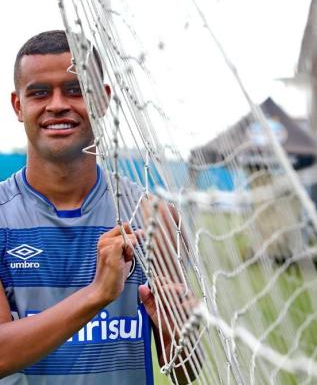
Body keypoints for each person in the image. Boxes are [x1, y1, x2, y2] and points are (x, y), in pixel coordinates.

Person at [0, 30, 194, 384]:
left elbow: (185, 372)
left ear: (103, 100)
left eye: (76, 90)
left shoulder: (154, 216)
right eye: (40, 92)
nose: (58, 104)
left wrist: (178, 332)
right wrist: (98, 294)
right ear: (18, 106)